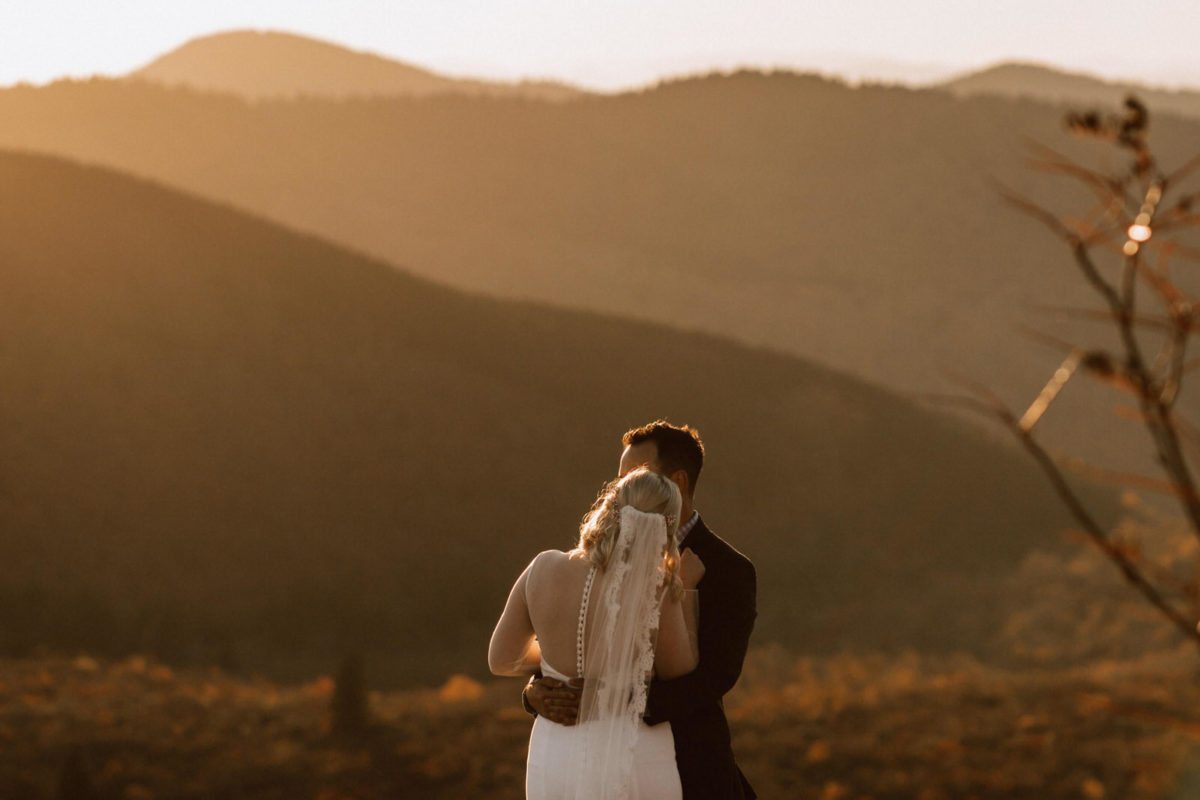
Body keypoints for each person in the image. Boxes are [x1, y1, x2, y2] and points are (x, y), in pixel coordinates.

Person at [524, 421, 757, 800]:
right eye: (618, 479)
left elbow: (715, 678)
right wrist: (538, 690)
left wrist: (608, 703)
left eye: (632, 476)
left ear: (678, 483)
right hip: (592, 764)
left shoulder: (727, 569)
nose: (618, 490)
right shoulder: (602, 554)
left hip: (687, 764)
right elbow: (577, 639)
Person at [490, 466, 704, 799]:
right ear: (666, 527)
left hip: (555, 748)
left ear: (612, 507)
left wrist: (551, 668)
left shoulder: (543, 567)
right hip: (632, 752)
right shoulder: (655, 583)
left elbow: (501, 659)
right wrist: (686, 591)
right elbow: (680, 671)